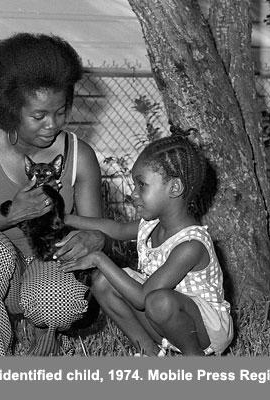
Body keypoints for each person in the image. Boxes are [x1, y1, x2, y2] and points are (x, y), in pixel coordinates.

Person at [0, 32, 105, 356]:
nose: (53, 125)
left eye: (61, 111)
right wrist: (12, 213)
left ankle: (40, 331)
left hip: (51, 264)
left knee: (56, 304)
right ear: (9, 108)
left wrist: (95, 238)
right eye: (39, 116)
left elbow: (97, 229)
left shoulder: (80, 155)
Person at [61, 134, 233, 356]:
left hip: (207, 330)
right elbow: (114, 229)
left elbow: (142, 298)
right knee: (104, 282)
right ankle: (148, 353)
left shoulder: (190, 244)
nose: (133, 194)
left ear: (174, 188)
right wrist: (62, 218)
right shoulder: (151, 224)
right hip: (161, 313)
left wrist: (98, 258)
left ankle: (195, 359)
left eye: (141, 185)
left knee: (158, 301)